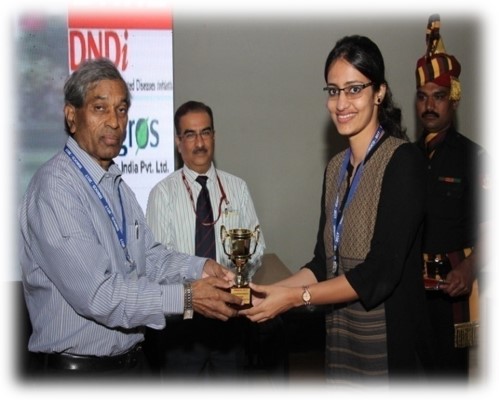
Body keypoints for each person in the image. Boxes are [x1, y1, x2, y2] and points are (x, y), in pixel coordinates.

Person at [18, 58, 243, 378]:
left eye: (121, 109)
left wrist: (201, 268)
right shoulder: (56, 188)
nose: (114, 121)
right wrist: (188, 297)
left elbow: (149, 258)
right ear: (71, 116)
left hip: (131, 365)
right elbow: (99, 295)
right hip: (79, 375)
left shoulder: (118, 187)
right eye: (100, 108)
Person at [239, 35, 436, 386]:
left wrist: (294, 299)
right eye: (333, 91)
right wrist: (269, 292)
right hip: (343, 338)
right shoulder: (335, 168)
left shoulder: (403, 161)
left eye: (354, 89)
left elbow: (380, 272)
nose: (341, 103)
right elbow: (322, 263)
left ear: (379, 93)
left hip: (388, 345)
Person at [145, 100, 266, 380]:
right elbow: (156, 263)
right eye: (190, 134)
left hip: (231, 321)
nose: (199, 143)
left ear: (214, 136)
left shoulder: (237, 188)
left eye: (205, 132)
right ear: (178, 141)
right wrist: (200, 290)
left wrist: (233, 278)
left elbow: (257, 248)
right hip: (182, 328)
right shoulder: (162, 194)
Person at [414, 15, 488, 379]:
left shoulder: (475, 157)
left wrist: (470, 268)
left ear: (453, 101)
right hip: (411, 294)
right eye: (423, 96)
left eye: (439, 96)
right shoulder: (406, 158)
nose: (430, 105)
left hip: (454, 292)